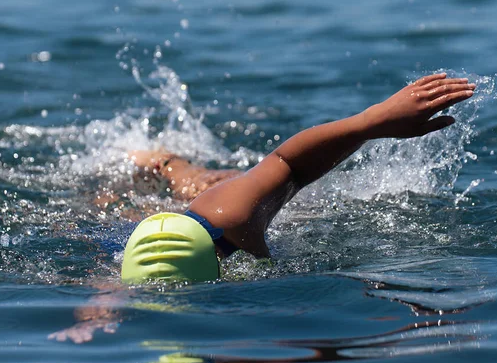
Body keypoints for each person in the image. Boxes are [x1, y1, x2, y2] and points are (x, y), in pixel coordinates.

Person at [122, 73, 476, 283]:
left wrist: (372, 121)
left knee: (194, 184)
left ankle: (165, 160)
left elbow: (288, 163)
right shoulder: (126, 275)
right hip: (153, 239)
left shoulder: (229, 222)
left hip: (213, 210)